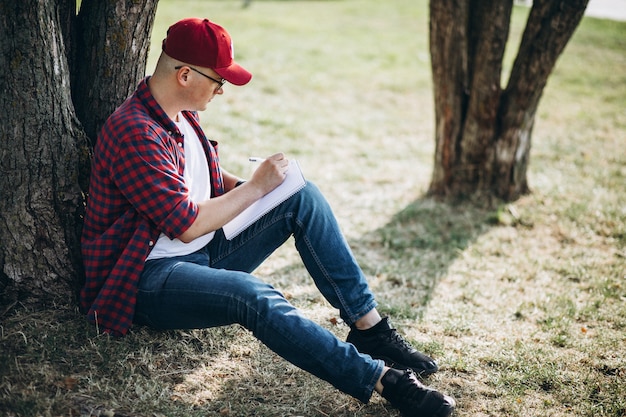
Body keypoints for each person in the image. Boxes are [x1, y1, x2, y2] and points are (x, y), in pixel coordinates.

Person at [80, 17, 456, 417]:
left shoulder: (181, 113)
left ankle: (372, 330)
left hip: (201, 253)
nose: (222, 90)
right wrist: (256, 188)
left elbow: (201, 175)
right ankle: (383, 379)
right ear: (185, 75)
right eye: (218, 80)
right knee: (251, 294)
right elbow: (186, 224)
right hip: (147, 277)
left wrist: (267, 190)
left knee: (301, 196)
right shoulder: (134, 131)